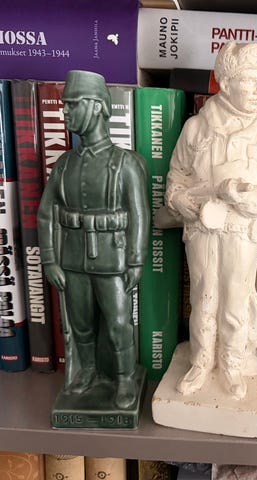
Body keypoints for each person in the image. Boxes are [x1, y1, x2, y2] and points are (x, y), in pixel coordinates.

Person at [165, 42, 257, 399]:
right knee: (204, 295)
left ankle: (232, 364)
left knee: (236, 296)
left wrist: (248, 198)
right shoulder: (196, 128)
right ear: (226, 82)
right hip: (202, 227)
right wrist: (183, 202)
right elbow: (175, 180)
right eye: (248, 80)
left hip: (242, 230)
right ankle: (202, 360)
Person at [37, 70, 150, 409]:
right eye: (65, 104)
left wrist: (135, 261)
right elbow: (46, 214)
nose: (65, 111)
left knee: (118, 323)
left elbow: (139, 215)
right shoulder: (64, 165)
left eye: (73, 104)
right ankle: (86, 371)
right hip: (73, 259)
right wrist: (49, 259)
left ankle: (125, 377)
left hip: (112, 259)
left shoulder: (125, 164)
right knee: (81, 324)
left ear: (97, 106)